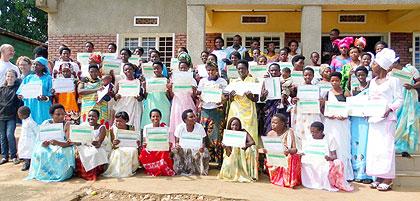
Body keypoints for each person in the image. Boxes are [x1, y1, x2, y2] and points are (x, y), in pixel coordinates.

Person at [366, 48, 403, 191]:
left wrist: (390, 109)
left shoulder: (394, 81)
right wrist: (365, 110)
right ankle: (379, 176)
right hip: (374, 118)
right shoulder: (373, 81)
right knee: (375, 149)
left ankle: (388, 178)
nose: (371, 65)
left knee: (386, 148)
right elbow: (369, 99)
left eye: (374, 63)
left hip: (387, 119)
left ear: (381, 65)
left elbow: (399, 99)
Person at [27, 104, 75, 182]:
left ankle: (61, 173)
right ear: (51, 115)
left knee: (62, 153)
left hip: (63, 146)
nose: (61, 116)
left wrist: (57, 143)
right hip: (49, 144)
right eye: (58, 114)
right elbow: (39, 139)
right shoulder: (46, 123)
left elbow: (69, 142)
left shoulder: (67, 124)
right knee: (41, 151)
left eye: (63, 114)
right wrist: (43, 143)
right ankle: (45, 173)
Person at [301, 122, 353, 192]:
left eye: (315, 132)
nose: (313, 134)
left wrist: (329, 158)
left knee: (337, 163)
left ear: (321, 131)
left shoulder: (329, 138)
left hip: (323, 161)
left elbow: (334, 156)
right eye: (311, 132)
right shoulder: (309, 138)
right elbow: (304, 151)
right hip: (309, 160)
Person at [322, 72, 354, 181]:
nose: (334, 82)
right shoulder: (327, 93)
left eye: (336, 80)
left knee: (342, 145)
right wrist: (328, 114)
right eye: (332, 81)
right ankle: (332, 171)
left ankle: (345, 173)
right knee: (330, 143)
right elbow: (323, 109)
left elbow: (350, 108)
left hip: (342, 123)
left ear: (340, 81)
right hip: (330, 123)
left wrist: (345, 116)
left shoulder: (345, 93)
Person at [197, 61, 228, 166]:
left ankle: (219, 160)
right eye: (209, 70)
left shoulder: (222, 81)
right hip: (205, 110)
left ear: (216, 70)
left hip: (217, 110)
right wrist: (202, 98)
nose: (211, 72)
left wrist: (222, 100)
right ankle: (207, 160)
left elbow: (226, 96)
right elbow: (199, 95)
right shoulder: (202, 81)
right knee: (205, 133)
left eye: (213, 70)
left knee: (217, 134)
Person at [262, 114, 301, 188]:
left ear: (283, 124)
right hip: (275, 156)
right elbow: (268, 148)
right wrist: (265, 150)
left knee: (291, 157)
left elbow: (295, 150)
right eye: (272, 122)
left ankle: (288, 181)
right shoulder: (270, 133)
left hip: (285, 155)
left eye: (275, 123)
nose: (273, 125)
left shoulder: (289, 132)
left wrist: (288, 151)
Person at [349, 66, 372, 184]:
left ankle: (367, 174)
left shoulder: (372, 87)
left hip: (366, 119)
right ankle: (356, 172)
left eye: (363, 75)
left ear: (367, 75)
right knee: (355, 145)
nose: (361, 77)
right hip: (355, 120)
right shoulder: (354, 88)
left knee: (366, 144)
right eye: (359, 75)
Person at [227, 60, 259, 145]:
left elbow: (256, 99)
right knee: (235, 130)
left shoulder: (253, 80)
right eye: (239, 69)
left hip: (249, 110)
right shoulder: (233, 81)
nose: (241, 70)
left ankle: (248, 155)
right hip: (236, 109)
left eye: (243, 68)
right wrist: (231, 96)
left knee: (249, 130)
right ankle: (235, 156)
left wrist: (251, 97)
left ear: (247, 69)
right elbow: (230, 100)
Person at [218, 117, 258, 182]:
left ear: (239, 126)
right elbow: (228, 153)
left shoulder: (243, 132)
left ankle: (244, 172)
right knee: (229, 163)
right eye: (233, 125)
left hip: (242, 153)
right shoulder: (228, 134)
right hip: (230, 154)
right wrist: (225, 147)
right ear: (230, 125)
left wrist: (245, 145)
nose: (235, 127)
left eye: (237, 125)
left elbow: (252, 142)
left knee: (251, 149)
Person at [291, 67, 322, 148]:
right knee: (301, 133)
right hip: (301, 115)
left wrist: (320, 101)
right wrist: (294, 100)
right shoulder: (297, 87)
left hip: (312, 114)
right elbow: (292, 101)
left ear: (313, 76)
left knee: (311, 133)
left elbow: (320, 103)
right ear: (303, 76)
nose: (307, 77)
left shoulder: (316, 88)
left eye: (310, 75)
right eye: (306, 75)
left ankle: (311, 151)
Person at [74, 109, 109, 181]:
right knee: (80, 152)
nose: (91, 118)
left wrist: (94, 142)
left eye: (93, 116)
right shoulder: (83, 125)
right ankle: (81, 173)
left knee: (94, 153)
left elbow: (99, 143)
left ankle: (92, 174)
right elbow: (79, 139)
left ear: (97, 118)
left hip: (95, 146)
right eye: (89, 116)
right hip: (83, 145)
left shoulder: (102, 127)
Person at [172, 109, 210, 175]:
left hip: (197, 149)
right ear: (185, 120)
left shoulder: (200, 127)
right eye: (191, 117)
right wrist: (177, 145)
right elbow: (177, 141)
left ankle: (199, 169)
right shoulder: (180, 127)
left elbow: (203, 141)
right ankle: (181, 169)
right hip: (184, 149)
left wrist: (202, 147)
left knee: (205, 151)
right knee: (175, 150)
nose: (194, 118)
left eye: (194, 116)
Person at [103, 111, 140, 178]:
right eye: (116, 121)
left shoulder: (131, 128)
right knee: (119, 153)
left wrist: (137, 143)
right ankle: (120, 171)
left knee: (133, 150)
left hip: (129, 147)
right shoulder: (112, 129)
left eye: (120, 121)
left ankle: (130, 169)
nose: (118, 123)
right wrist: (114, 143)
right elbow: (112, 146)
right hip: (117, 148)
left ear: (126, 120)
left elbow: (134, 141)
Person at [139, 109, 175, 176]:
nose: (155, 118)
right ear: (150, 118)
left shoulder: (165, 128)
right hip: (151, 147)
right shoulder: (146, 127)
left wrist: (168, 144)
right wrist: (145, 144)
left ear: (160, 117)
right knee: (143, 153)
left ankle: (162, 168)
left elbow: (168, 141)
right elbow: (145, 140)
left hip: (162, 148)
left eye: (157, 116)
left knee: (164, 152)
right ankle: (153, 169)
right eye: (153, 116)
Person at [17, 57, 52, 125]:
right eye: (34, 64)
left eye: (37, 64)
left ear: (43, 67)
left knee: (44, 126)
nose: (35, 66)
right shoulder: (28, 78)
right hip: (30, 105)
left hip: (43, 106)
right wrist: (20, 96)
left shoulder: (49, 79)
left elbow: (51, 95)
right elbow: (20, 92)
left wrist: (45, 98)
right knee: (30, 127)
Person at [394, 63, 420, 156]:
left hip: (409, 98)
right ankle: (396, 145)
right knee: (397, 120)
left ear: (396, 63)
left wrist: (412, 86)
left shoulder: (410, 69)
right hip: (397, 99)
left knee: (407, 121)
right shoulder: (390, 73)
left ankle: (406, 147)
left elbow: (419, 81)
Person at [169, 61, 197, 143]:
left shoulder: (192, 80)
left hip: (188, 103)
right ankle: (177, 144)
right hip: (177, 103)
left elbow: (194, 97)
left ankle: (190, 143)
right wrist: (170, 88)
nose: (183, 69)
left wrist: (194, 90)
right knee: (177, 122)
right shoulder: (174, 79)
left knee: (190, 121)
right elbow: (171, 95)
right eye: (181, 68)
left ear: (188, 69)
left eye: (185, 68)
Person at [141, 61, 171, 128]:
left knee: (164, 126)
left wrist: (168, 89)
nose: (156, 70)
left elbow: (169, 97)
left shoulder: (166, 80)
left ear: (162, 69)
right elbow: (145, 96)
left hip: (164, 105)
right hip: (151, 105)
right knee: (150, 126)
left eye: (158, 68)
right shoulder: (148, 80)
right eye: (154, 68)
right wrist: (144, 88)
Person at [0, 69, 21, 165]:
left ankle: (13, 156)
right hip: (1, 116)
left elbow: (19, 102)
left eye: (12, 76)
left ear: (15, 78)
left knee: (9, 135)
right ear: (5, 77)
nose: (10, 78)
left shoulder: (17, 89)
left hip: (11, 116)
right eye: (8, 76)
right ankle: (5, 156)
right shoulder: (1, 89)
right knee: (2, 136)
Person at [114, 63, 143, 130]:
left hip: (134, 105)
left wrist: (139, 98)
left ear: (133, 70)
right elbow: (115, 97)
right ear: (123, 71)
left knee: (134, 124)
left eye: (130, 69)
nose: (128, 71)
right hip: (123, 105)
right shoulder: (120, 82)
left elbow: (142, 96)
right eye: (126, 69)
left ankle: (134, 139)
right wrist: (117, 96)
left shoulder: (138, 82)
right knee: (121, 122)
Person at [260, 63, 283, 135]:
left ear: (280, 71)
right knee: (269, 128)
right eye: (272, 70)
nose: (274, 72)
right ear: (269, 71)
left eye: (276, 70)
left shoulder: (283, 81)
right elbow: (262, 99)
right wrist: (263, 95)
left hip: (281, 109)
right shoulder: (265, 82)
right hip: (269, 109)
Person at [17, 106, 38, 171]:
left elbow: (36, 131)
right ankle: (26, 163)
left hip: (30, 141)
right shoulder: (24, 121)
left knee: (30, 153)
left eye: (19, 115)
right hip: (24, 140)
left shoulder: (31, 122)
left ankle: (30, 164)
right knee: (25, 152)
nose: (18, 116)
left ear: (25, 115)